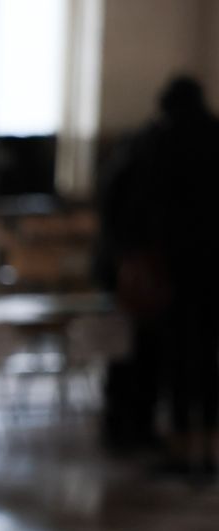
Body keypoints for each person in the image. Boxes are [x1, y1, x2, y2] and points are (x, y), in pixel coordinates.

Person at [96, 75, 219, 476]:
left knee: (179, 360)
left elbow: (126, 205)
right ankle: (209, 447)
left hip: (169, 272)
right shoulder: (212, 138)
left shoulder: (154, 143)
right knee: (208, 361)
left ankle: (184, 447)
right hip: (209, 270)